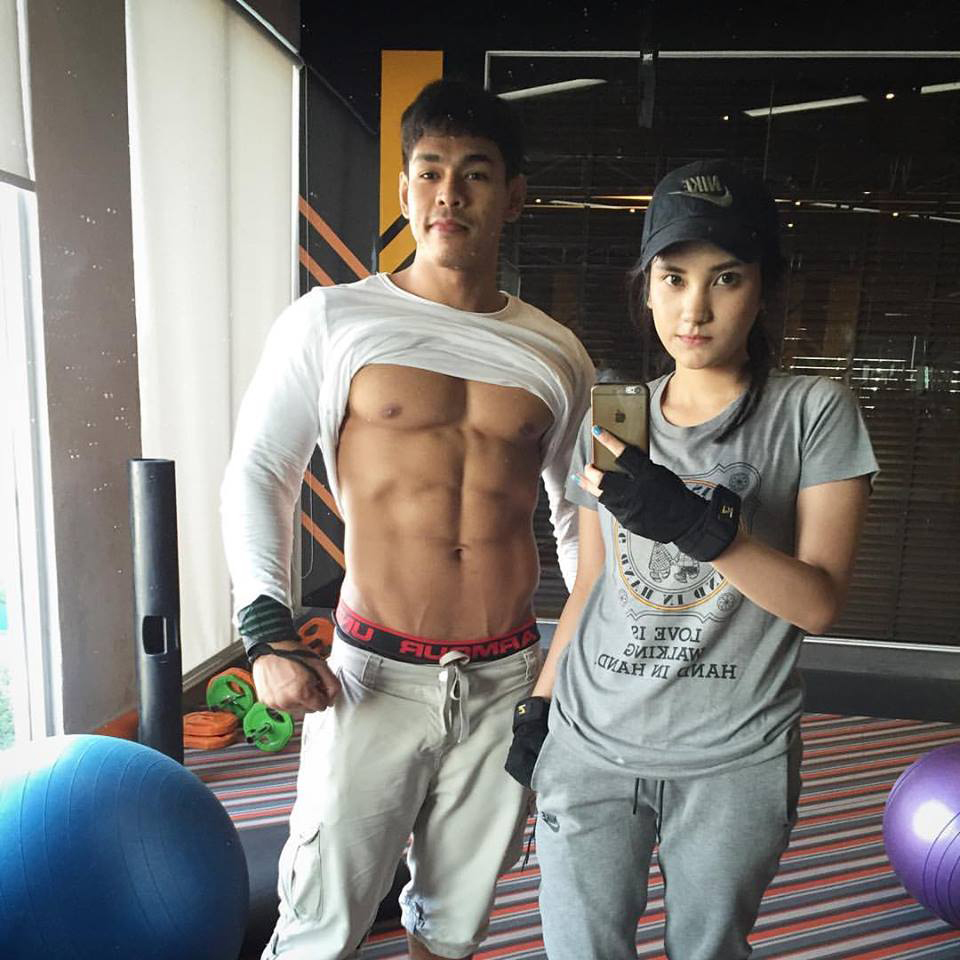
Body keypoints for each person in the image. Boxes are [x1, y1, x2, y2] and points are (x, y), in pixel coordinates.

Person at [220, 79, 594, 960]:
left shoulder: (557, 352)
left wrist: (572, 677)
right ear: (404, 190)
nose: (448, 194)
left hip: (506, 679)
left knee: (455, 926)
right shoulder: (332, 320)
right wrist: (265, 632)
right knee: (319, 925)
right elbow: (261, 472)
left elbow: (581, 523)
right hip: (371, 679)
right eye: (429, 172)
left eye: (476, 174)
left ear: (514, 196)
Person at [505, 159, 878, 959]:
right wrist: (539, 705)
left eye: (726, 279)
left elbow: (817, 603)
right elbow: (594, 584)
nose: (695, 308)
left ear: (764, 289)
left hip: (733, 755)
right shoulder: (615, 417)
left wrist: (699, 528)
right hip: (590, 739)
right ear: (646, 288)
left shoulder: (813, 411)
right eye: (673, 278)